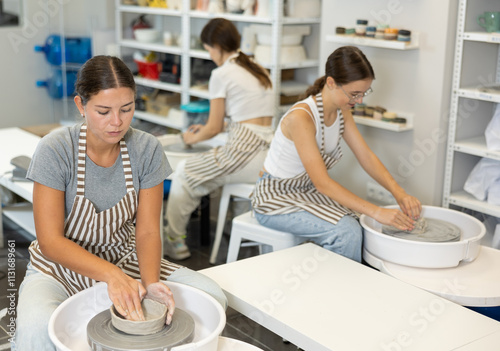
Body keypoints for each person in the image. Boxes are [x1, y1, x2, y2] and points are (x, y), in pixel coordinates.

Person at [13, 55, 226, 350]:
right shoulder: (56, 149)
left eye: (127, 109)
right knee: (37, 334)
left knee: (211, 295)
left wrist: (151, 284)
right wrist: (112, 277)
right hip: (59, 268)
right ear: (80, 105)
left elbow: (149, 231)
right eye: (103, 111)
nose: (117, 122)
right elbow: (50, 241)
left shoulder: (146, 148)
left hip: (125, 258)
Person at [251, 46, 422, 262]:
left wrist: (399, 193)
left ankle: (335, 281)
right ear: (331, 83)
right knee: (346, 232)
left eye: (364, 93)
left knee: (361, 222)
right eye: (354, 94)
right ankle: (337, 292)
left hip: (306, 191)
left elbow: (366, 156)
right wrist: (377, 211)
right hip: (275, 199)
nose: (359, 100)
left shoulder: (342, 110)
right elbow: (322, 183)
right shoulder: (301, 118)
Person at [164, 18, 274, 260]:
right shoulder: (258, 68)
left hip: (244, 155)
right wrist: (209, 129)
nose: (209, 54)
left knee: (184, 173)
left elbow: (213, 128)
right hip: (268, 156)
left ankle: (174, 241)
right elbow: (246, 117)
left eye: (208, 49)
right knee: (208, 173)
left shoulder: (221, 74)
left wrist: (190, 138)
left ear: (216, 45)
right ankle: (236, 230)